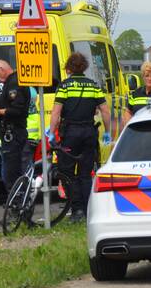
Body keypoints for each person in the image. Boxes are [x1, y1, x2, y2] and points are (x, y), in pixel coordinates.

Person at [48, 52, 112, 222]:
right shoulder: (93, 86)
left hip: (70, 133)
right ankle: (87, 209)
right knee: (85, 173)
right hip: (89, 133)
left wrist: (50, 132)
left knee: (67, 172)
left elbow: (56, 112)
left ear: (68, 68)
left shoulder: (65, 86)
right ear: (84, 67)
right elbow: (105, 111)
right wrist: (107, 132)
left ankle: (76, 210)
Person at [0, 60, 31, 194]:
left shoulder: (14, 83)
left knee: (11, 171)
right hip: (11, 132)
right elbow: (10, 107)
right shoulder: (10, 82)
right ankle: (18, 199)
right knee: (13, 169)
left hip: (13, 133)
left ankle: (18, 200)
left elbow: (16, 110)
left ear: (2, 69)